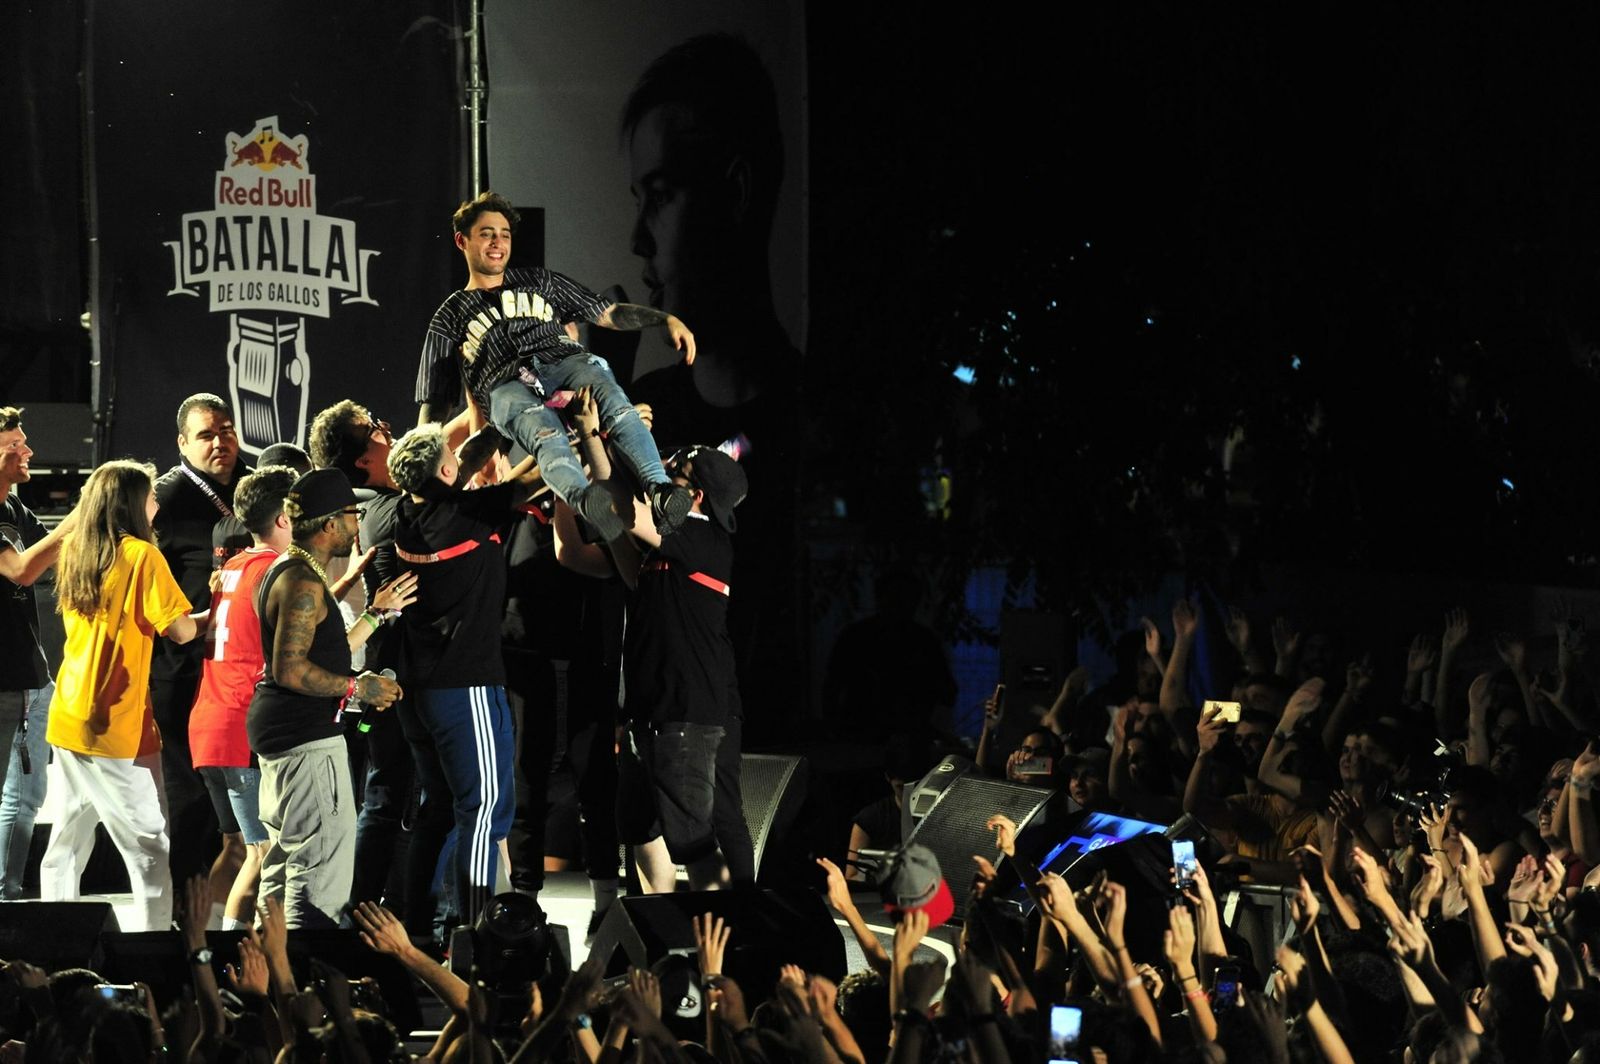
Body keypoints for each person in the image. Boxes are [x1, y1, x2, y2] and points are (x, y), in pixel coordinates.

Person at [413, 191, 695, 542]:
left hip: (563, 360)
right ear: (463, 240)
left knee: (613, 402)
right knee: (544, 435)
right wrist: (421, 460)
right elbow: (435, 401)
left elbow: (607, 312)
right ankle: (584, 500)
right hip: (505, 383)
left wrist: (663, 319)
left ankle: (661, 491)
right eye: (487, 233)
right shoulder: (450, 315)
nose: (497, 242)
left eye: (504, 234)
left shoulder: (540, 281)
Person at [386, 423, 543, 932]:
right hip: (464, 688)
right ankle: (477, 933)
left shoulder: (405, 512)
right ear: (447, 473)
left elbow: (464, 461)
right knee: (484, 808)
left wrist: (496, 429)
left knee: (439, 810)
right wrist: (563, 430)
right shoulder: (468, 513)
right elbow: (536, 478)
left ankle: (418, 929)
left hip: (420, 690)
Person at [40, 460, 202, 931]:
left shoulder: (76, 550)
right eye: (151, 497)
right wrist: (208, 614)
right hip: (115, 724)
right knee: (150, 847)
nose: (157, 505)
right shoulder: (142, 556)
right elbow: (180, 630)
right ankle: (151, 949)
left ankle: (57, 940)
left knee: (66, 844)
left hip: (69, 716)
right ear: (132, 504)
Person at [248, 468, 401, 927]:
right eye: (353, 514)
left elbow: (321, 650)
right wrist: (359, 687)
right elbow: (291, 669)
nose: (359, 523)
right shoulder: (304, 583)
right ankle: (304, 985)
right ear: (331, 524)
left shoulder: (289, 570)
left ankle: (271, 982)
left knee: (281, 873)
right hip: (307, 743)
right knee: (319, 882)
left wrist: (375, 616)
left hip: (285, 739)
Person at [620, 443, 749, 891]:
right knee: (643, 831)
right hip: (648, 709)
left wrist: (600, 440)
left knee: (692, 841)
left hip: (686, 714)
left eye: (674, 472)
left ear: (695, 497)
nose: (661, 474)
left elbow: (621, 508)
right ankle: (658, 929)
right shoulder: (667, 547)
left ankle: (720, 937)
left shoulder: (704, 538)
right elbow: (613, 521)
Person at [186, 466, 294, 931]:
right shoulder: (276, 572)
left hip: (208, 723)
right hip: (239, 726)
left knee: (236, 848)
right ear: (287, 515)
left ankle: (203, 939)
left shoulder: (232, 566)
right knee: (262, 853)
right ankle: (223, 957)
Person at [152, 393, 252, 890]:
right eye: (207, 435)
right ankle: (189, 919)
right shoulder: (165, 500)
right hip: (184, 673)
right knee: (193, 799)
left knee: (241, 802)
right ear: (182, 443)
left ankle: (234, 916)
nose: (220, 443)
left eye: (226, 430)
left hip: (241, 676)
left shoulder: (254, 484)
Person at [0, 407, 76, 896]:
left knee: (26, 797)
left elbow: (48, 558)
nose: (28, 452)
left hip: (28, 677)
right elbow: (21, 570)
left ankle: (7, 896)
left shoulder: (12, 507)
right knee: (16, 798)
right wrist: (80, 517)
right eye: (15, 446)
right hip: (6, 682)